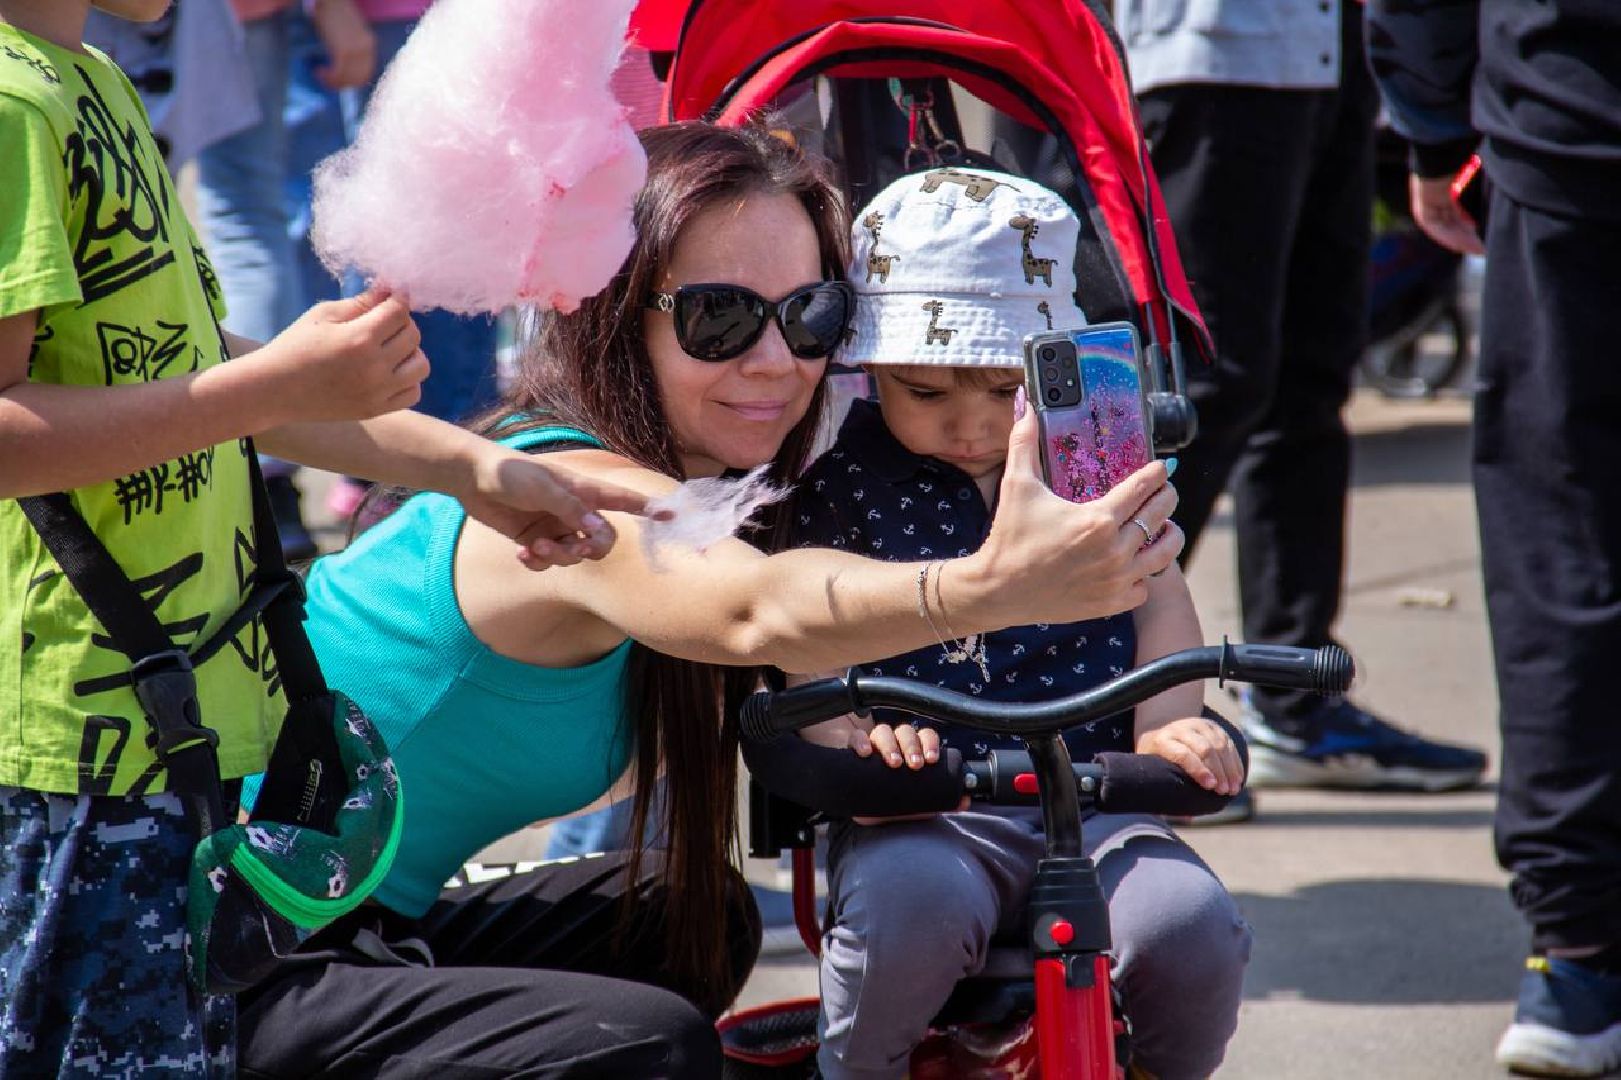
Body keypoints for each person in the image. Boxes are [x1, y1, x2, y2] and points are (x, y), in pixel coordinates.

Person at [231, 121, 1189, 1076]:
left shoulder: (728, 493)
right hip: (241, 953)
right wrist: (989, 587)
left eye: (811, 315)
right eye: (719, 319)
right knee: (650, 1048)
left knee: (694, 918)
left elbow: (791, 615)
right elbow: (752, 610)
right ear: (612, 314)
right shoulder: (567, 497)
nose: (777, 360)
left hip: (368, 921)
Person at [0, 3, 645, 1072]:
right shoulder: (17, 102)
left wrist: (461, 465)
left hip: (168, 732)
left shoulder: (90, 79)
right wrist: (268, 382)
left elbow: (172, 359)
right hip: (73, 753)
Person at [781, 170, 1250, 1080]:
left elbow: (1156, 587)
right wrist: (839, 726)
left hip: (1097, 796)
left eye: (1006, 392)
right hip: (923, 809)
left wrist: (1168, 720)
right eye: (924, 392)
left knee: (1187, 926)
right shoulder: (840, 473)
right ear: (870, 370)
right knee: (904, 913)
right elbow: (807, 611)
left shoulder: (1089, 458)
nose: (970, 425)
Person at [1117, 0, 1488, 791]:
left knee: (1313, 381)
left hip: (1341, 53)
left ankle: (1293, 701)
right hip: (1214, 53)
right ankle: (1101, 693)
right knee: (1211, 383)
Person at [1365, 2, 1621, 1074]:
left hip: (1568, 113)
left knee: (1563, 536)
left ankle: (1578, 955)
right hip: (1559, 116)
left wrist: (1431, 124)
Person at [283, 0, 502, 522]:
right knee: (414, 262)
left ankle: (410, 476)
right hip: (401, 20)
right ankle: (411, 483)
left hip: (450, 23)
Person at [196, 0, 377, 559]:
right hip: (242, 16)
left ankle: (264, 480)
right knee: (249, 220)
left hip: (212, 19)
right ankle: (270, 485)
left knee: (245, 222)